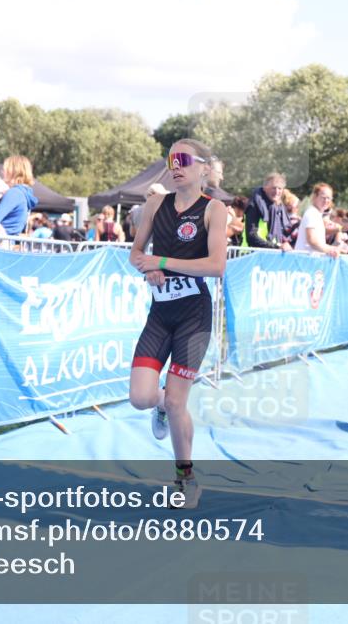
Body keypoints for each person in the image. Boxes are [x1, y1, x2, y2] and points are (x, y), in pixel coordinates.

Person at [128, 139, 228, 509]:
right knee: (140, 397)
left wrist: (163, 263)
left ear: (203, 167)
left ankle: (186, 480)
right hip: (161, 313)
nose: (176, 165)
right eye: (171, 160)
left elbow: (217, 267)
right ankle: (160, 407)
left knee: (176, 400)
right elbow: (136, 254)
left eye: (184, 159)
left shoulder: (214, 210)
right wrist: (146, 267)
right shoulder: (156, 204)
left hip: (194, 316)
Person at [0, 155, 37, 236]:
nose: (2, 172)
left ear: (13, 171)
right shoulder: (23, 194)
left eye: (5, 169)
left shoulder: (15, 193)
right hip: (8, 242)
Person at [243, 173, 291, 250]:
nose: (277, 191)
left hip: (268, 255)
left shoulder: (278, 208)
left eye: (280, 188)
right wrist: (276, 247)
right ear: (265, 188)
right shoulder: (254, 206)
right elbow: (251, 237)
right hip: (250, 256)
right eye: (273, 188)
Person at [294, 183, 342, 258]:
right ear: (315, 197)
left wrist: (340, 229)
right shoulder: (311, 213)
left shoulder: (316, 214)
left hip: (309, 260)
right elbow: (312, 240)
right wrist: (331, 249)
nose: (326, 200)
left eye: (329, 198)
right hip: (304, 260)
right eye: (323, 197)